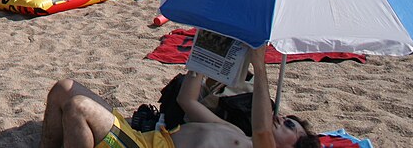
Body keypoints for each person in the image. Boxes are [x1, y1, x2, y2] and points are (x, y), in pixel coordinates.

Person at [40, 47, 319, 148]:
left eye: (290, 126)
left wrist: (259, 66)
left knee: (78, 106)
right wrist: (201, 58)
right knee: (63, 88)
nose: (282, 118)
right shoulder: (235, 132)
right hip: (146, 140)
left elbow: (261, 130)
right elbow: (188, 102)